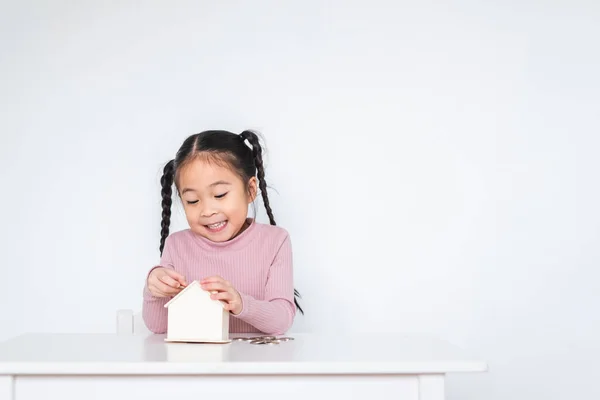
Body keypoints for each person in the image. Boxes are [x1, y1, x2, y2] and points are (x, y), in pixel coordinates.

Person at [142, 129, 303, 335]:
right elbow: (158, 326)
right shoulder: (177, 245)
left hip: (256, 364)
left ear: (250, 190)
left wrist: (241, 303)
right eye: (192, 201)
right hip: (199, 363)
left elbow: (281, 320)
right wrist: (154, 290)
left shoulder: (275, 241)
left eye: (220, 195)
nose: (207, 211)